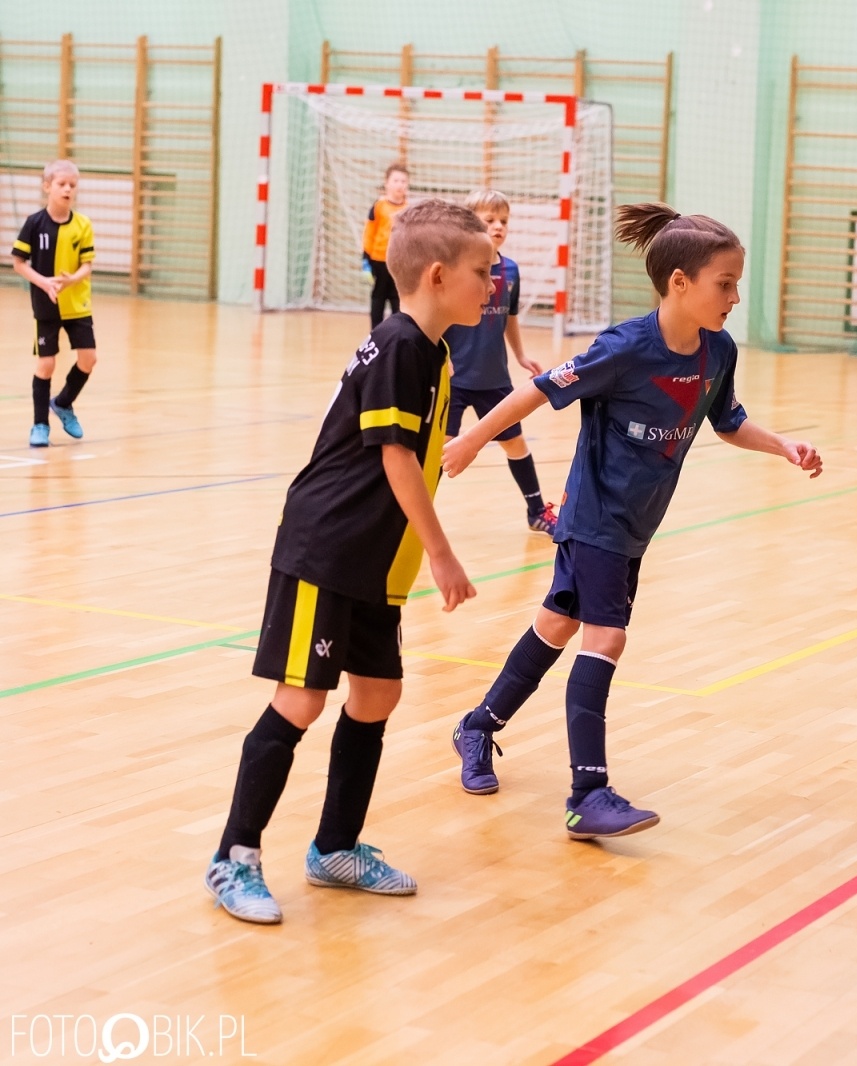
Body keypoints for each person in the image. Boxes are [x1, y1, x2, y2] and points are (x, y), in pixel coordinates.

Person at [443, 203, 823, 839]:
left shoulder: (718, 351)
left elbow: (726, 420)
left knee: (557, 624)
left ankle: (477, 726)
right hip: (595, 518)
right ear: (680, 282)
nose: (734, 297)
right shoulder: (624, 347)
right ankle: (586, 793)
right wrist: (475, 437)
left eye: (736, 283)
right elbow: (538, 391)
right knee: (606, 637)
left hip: (633, 527)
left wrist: (782, 444)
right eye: (723, 284)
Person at [202, 200, 487, 925]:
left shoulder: (431, 350)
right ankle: (233, 857)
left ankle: (335, 848)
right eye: (483, 273)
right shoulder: (398, 345)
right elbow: (396, 458)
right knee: (302, 699)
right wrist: (443, 555)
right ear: (436, 274)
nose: (495, 284)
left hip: (371, 561)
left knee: (378, 695)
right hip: (326, 549)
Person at [441, 189, 557, 534]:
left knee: (514, 443)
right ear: (470, 223)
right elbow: (440, 317)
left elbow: (509, 315)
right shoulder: (455, 268)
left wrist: (520, 354)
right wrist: (441, 357)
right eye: (489, 219)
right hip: (455, 377)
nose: (498, 226)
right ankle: (408, 520)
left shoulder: (511, 271)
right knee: (442, 449)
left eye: (503, 220)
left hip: (493, 378)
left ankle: (537, 512)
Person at [12, 159, 97, 448]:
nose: (68, 189)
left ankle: (63, 403)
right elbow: (19, 263)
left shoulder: (83, 224)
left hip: (78, 304)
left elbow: (87, 266)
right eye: (62, 184)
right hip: (46, 304)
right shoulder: (34, 223)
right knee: (46, 364)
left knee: (89, 359)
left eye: (72, 185)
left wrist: (72, 279)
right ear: (47, 187)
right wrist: (44, 282)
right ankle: (39, 424)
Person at [362, 161, 409, 328]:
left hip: (400, 262)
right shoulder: (379, 206)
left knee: (398, 298)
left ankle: (397, 333)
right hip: (379, 260)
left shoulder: (409, 208)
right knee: (378, 297)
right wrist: (365, 260)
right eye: (396, 180)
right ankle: (375, 333)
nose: (400, 185)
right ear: (387, 183)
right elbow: (369, 233)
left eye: (403, 181)